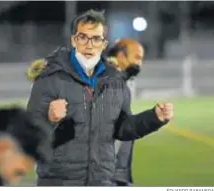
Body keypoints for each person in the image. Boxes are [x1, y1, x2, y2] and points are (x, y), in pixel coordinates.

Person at [27, 9, 174, 186]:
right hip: (58, 182)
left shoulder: (116, 81)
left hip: (102, 182)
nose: (89, 45)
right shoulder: (50, 79)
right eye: (83, 37)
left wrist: (154, 117)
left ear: (104, 44)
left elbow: (123, 129)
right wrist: (49, 118)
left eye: (96, 39)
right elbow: (29, 134)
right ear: (74, 40)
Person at [107, 38, 144, 186]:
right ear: (121, 56)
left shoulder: (121, 82)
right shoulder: (111, 83)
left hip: (116, 174)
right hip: (110, 175)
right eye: (137, 57)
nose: (140, 64)